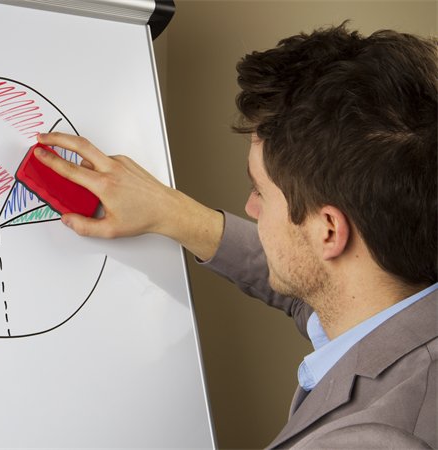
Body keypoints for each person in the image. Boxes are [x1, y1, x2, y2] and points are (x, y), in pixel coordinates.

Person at [34, 24, 437, 448]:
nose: (250, 207)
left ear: (329, 231)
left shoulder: (370, 438)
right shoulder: (396, 301)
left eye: (260, 191)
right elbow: (315, 282)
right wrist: (168, 212)